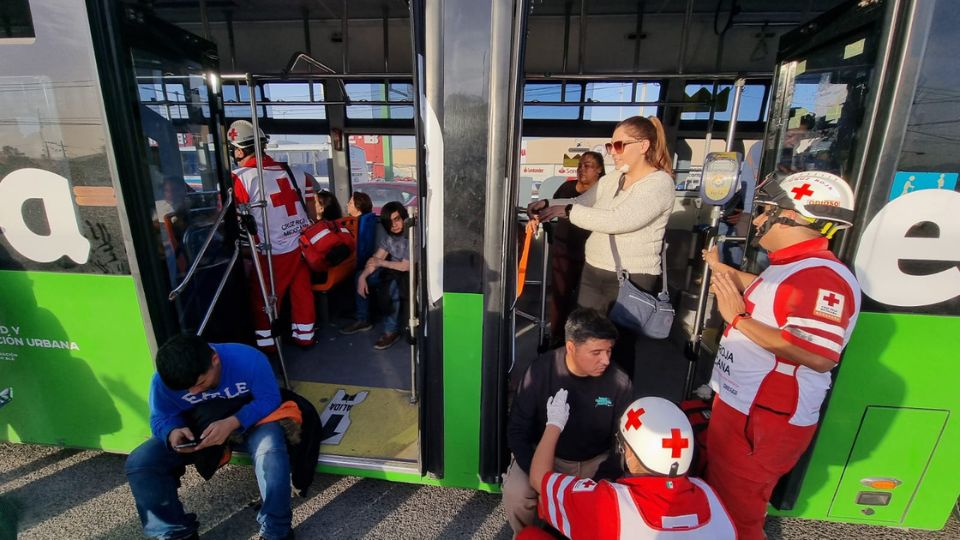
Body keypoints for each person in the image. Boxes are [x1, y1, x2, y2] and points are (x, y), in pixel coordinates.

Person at [702, 171, 861, 540]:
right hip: (748, 409)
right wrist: (720, 270)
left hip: (763, 418)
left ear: (794, 218)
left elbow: (818, 354)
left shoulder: (820, 278)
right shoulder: (793, 266)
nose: (757, 220)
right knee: (723, 500)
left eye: (767, 211)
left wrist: (737, 319)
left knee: (739, 515)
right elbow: (766, 290)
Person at [527, 116, 675, 376]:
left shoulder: (660, 184)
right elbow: (582, 200)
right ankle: (585, 396)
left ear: (643, 145)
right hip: (594, 272)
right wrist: (547, 204)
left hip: (632, 280)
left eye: (619, 145)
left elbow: (620, 220)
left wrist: (567, 209)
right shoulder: (613, 179)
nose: (612, 153)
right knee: (586, 339)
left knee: (618, 347)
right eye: (610, 146)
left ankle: (615, 405)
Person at [124, 334, 293, 540]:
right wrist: (172, 433)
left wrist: (233, 422)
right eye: (186, 390)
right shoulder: (161, 381)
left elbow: (270, 399)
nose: (194, 393)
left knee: (270, 450)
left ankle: (276, 531)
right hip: (197, 425)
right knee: (141, 462)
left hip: (247, 418)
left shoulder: (248, 359)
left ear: (215, 360)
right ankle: (174, 534)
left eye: (201, 382)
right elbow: (160, 417)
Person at [522, 392, 736, 539]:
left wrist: (554, 424)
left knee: (529, 537)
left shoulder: (607, 503)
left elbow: (539, 478)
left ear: (631, 454)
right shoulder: (710, 497)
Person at [503, 308, 632, 535]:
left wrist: (599, 481)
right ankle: (526, 535)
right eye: (596, 352)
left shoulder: (619, 382)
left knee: (616, 505)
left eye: (609, 351)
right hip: (546, 457)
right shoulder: (541, 372)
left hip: (595, 462)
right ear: (571, 347)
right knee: (517, 493)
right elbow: (517, 430)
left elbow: (622, 444)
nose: (606, 360)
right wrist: (540, 476)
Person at [228, 120, 315, 349]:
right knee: (301, 292)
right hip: (303, 242)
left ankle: (267, 344)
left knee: (263, 297)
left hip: (272, 249)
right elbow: (311, 209)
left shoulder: (241, 178)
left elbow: (230, 217)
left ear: (238, 150)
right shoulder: (297, 172)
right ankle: (305, 337)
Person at [546, 151, 605, 347]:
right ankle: (556, 337)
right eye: (580, 165)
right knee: (559, 297)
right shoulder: (567, 187)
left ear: (599, 170)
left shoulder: (603, 192)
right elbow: (552, 207)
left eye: (587, 165)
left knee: (585, 301)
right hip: (563, 250)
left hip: (592, 255)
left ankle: (582, 340)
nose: (581, 169)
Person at [340, 201, 410, 350]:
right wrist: (362, 277)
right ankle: (363, 319)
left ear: (403, 218)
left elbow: (406, 266)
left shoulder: (411, 236)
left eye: (397, 219)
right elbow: (375, 259)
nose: (394, 225)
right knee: (360, 274)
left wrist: (380, 263)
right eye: (389, 222)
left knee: (393, 287)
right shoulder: (389, 238)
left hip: (409, 275)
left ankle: (391, 331)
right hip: (392, 271)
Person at [346, 191, 378, 271]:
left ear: (358, 207)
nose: (347, 205)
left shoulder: (355, 225)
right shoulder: (369, 220)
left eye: (350, 203)